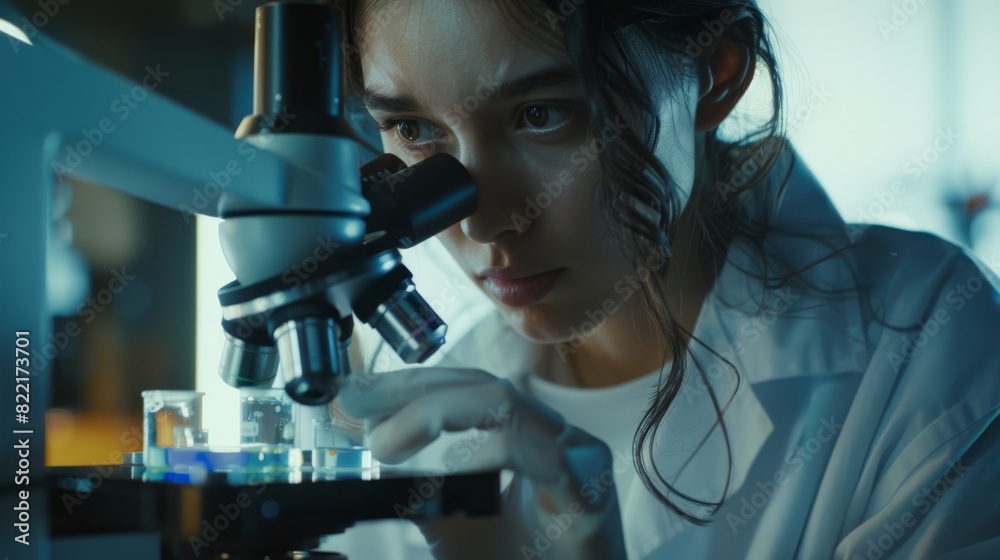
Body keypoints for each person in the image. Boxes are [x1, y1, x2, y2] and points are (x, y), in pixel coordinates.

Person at [328, 0, 1000, 558]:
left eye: (543, 114)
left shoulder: (930, 338)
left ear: (716, 71)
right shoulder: (433, 431)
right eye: (412, 128)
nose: (483, 224)